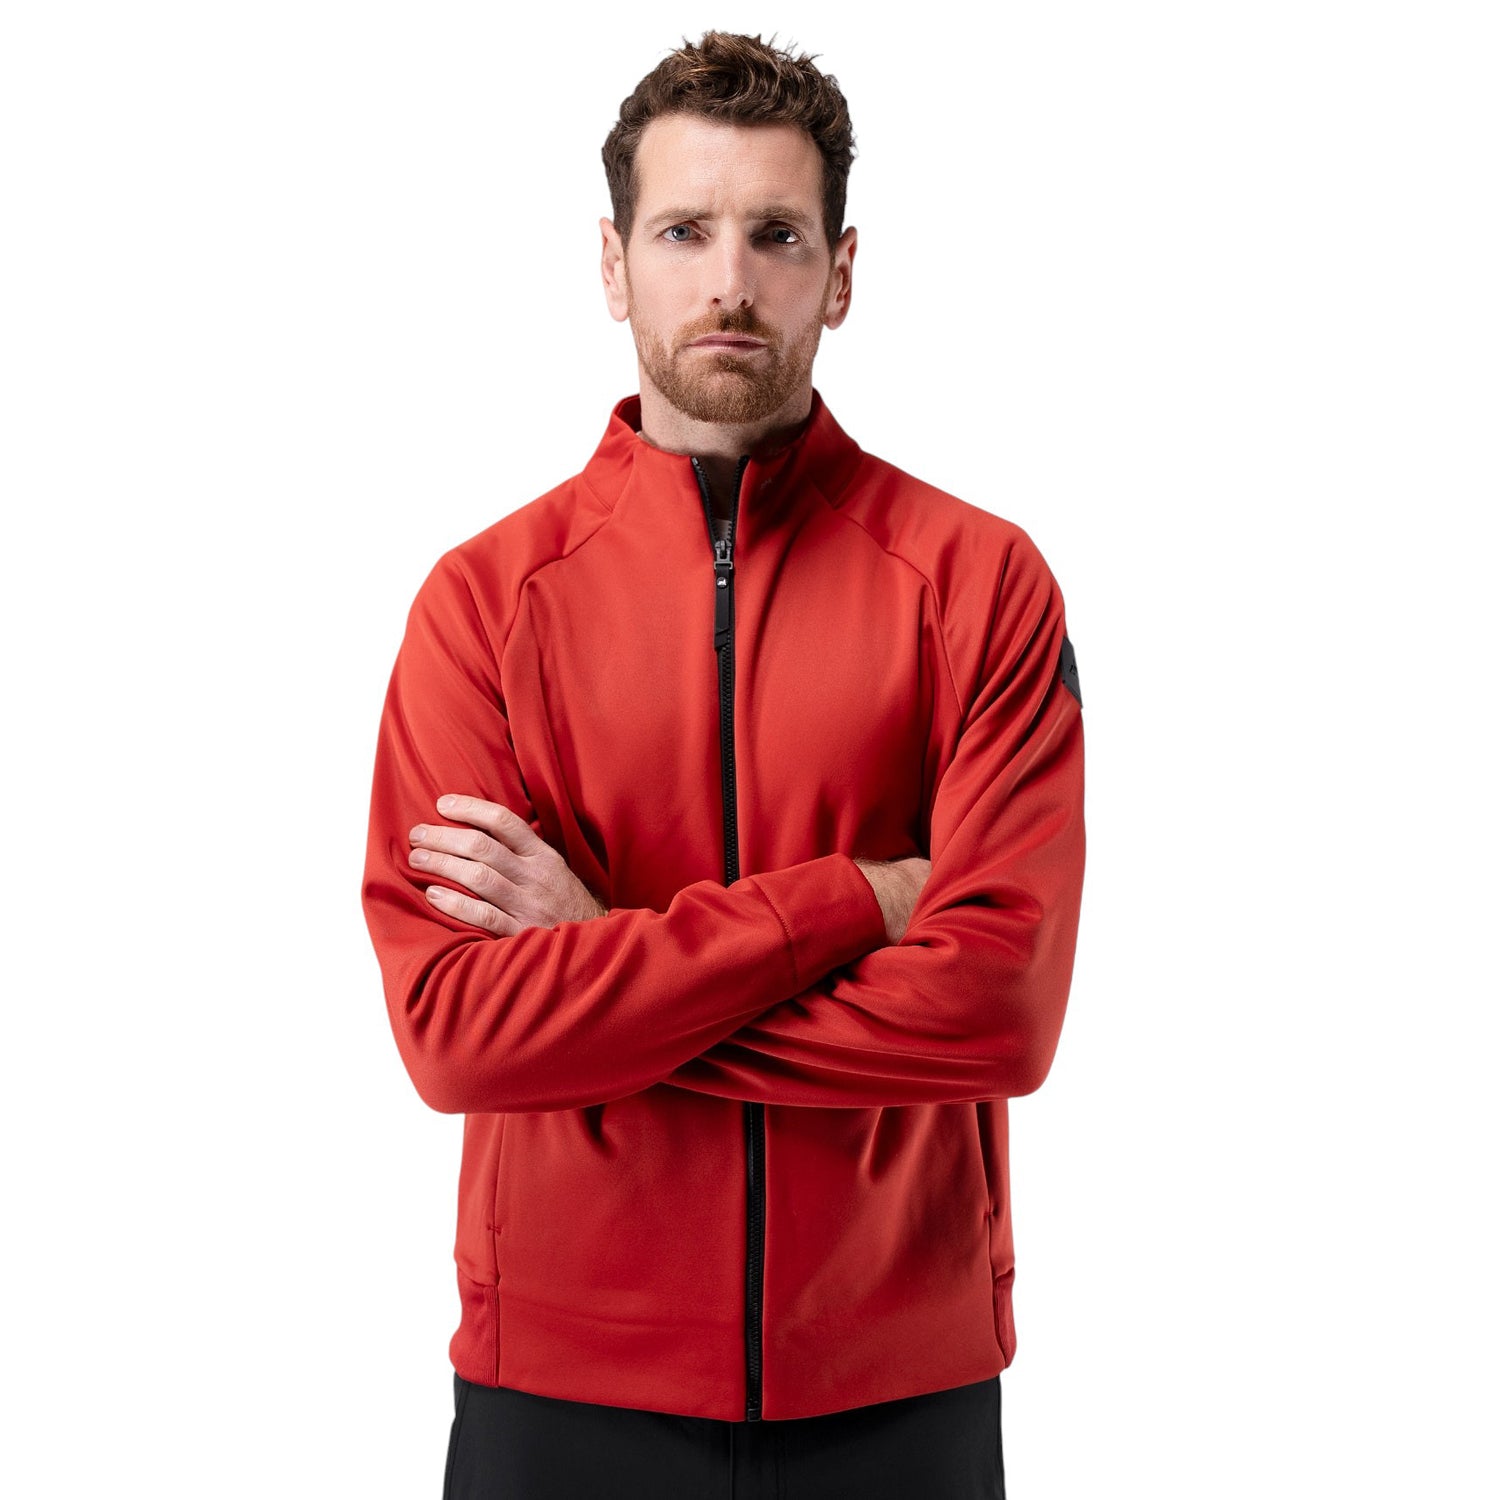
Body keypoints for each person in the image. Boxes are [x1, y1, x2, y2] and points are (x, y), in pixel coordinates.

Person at [362, 30, 1085, 1500]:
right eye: (684, 232)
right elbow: (457, 1033)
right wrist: (857, 902)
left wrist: (603, 964)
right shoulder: (485, 604)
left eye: (777, 235)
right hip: (558, 1385)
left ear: (842, 271)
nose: (730, 282)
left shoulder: (979, 584)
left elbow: (999, 1013)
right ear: (614, 264)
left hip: (900, 1385)